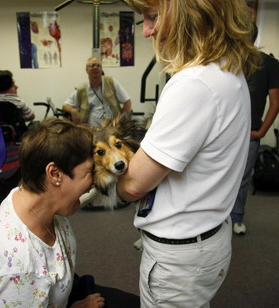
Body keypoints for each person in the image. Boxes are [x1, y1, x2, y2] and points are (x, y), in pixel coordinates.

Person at [117, 1, 261, 307]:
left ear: (189, 13)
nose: (146, 31)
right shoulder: (226, 69)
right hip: (206, 241)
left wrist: (100, 180)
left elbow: (131, 186)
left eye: (153, 17)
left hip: (179, 259)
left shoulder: (193, 83)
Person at [0, 118, 139, 308]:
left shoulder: (30, 196)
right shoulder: (20, 266)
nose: (94, 181)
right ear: (55, 174)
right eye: (89, 172)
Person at [231, 24, 279, 235]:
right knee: (215, 176)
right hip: (223, 134)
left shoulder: (269, 64)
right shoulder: (226, 62)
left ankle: (236, 218)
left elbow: (275, 102)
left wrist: (262, 131)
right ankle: (216, 220)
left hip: (250, 134)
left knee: (243, 178)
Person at [62, 57, 132, 128]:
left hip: (113, 128)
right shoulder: (82, 89)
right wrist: (73, 111)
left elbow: (127, 102)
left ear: (101, 69)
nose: (95, 67)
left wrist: (121, 121)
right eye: (92, 65)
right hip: (91, 130)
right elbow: (65, 105)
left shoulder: (111, 82)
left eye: (98, 65)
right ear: (86, 70)